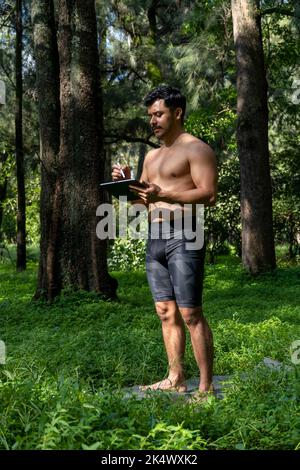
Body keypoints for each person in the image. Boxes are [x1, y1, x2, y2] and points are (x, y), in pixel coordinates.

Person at [112, 85, 217, 402]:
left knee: (191, 313)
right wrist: (127, 183)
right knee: (165, 312)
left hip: (185, 234)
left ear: (178, 113)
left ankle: (206, 386)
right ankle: (175, 378)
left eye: (158, 114)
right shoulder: (152, 156)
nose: (153, 121)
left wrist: (165, 194)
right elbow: (141, 204)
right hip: (155, 239)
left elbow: (208, 194)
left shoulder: (197, 149)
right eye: (150, 116)